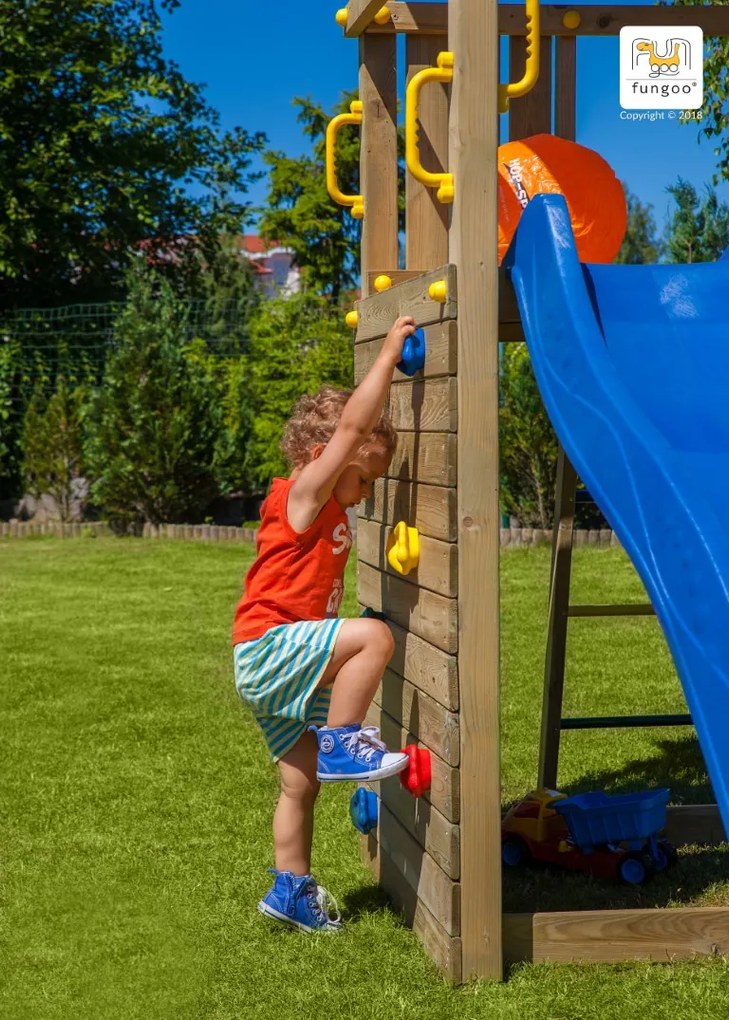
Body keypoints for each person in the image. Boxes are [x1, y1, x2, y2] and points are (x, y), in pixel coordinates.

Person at [232, 314, 416, 934]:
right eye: (363, 476)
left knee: (297, 783)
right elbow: (355, 425)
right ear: (323, 457)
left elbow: (358, 438)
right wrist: (389, 354)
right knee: (377, 637)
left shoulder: (328, 500)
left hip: (268, 667)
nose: (365, 491)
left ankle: (291, 889)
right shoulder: (303, 495)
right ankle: (343, 745)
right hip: (268, 648)